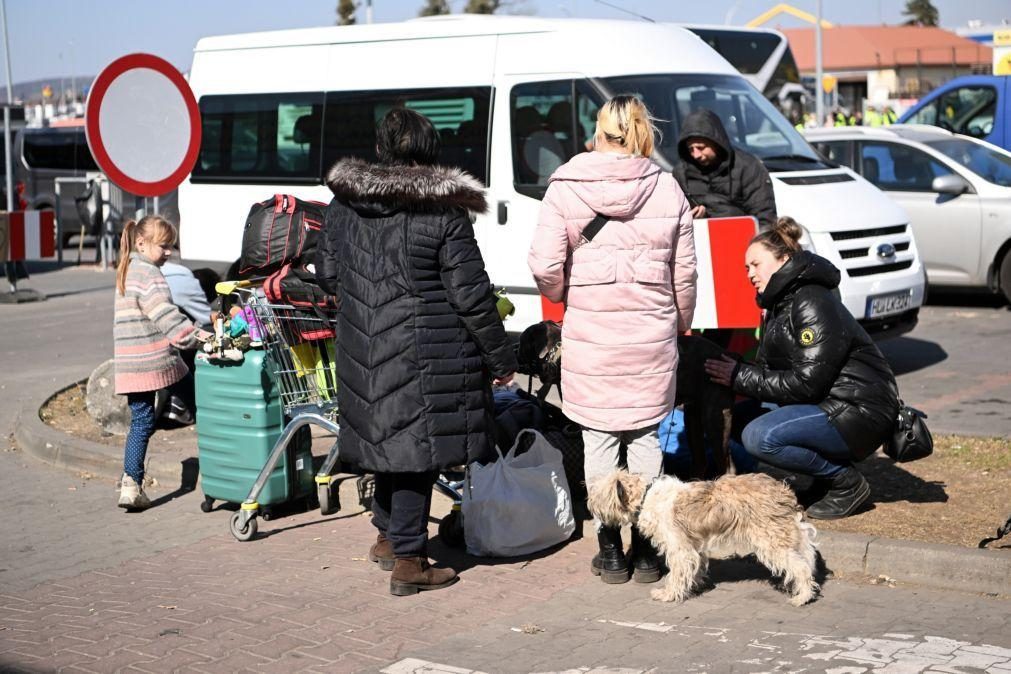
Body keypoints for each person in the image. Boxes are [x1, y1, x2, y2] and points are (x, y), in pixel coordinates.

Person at [316, 108, 516, 596]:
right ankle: (410, 560)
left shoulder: (342, 205)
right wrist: (502, 357)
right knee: (415, 450)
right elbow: (470, 294)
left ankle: (388, 537)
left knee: (389, 438)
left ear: (381, 150)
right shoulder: (442, 211)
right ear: (429, 154)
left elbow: (327, 274)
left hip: (364, 345)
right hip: (428, 350)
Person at [528, 95, 697, 584]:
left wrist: (564, 294)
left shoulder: (566, 186)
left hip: (592, 335)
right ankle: (646, 551)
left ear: (597, 131)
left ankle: (610, 551)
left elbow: (542, 264)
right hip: (652, 336)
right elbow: (684, 273)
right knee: (645, 437)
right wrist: (681, 322)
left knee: (598, 439)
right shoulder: (667, 188)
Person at [704, 217, 899, 520]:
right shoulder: (782, 302)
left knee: (759, 436)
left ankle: (844, 481)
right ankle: (821, 480)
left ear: (783, 259)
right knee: (741, 420)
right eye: (746, 268)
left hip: (859, 410)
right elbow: (779, 372)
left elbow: (808, 383)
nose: (749, 274)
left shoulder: (810, 300)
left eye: (756, 264)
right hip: (831, 404)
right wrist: (739, 371)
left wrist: (739, 375)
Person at [113, 216, 210, 510]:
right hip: (159, 360)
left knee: (141, 422)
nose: (169, 252)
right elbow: (166, 315)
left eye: (171, 246)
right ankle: (219, 466)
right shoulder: (150, 274)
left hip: (130, 363)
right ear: (142, 243)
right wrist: (198, 337)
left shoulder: (126, 270)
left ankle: (130, 484)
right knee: (200, 408)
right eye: (164, 246)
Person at [672, 108, 777, 230]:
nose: (696, 155)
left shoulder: (748, 167)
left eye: (701, 147)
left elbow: (765, 219)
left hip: (743, 243)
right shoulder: (680, 173)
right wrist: (690, 219)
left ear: (716, 142)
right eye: (691, 149)